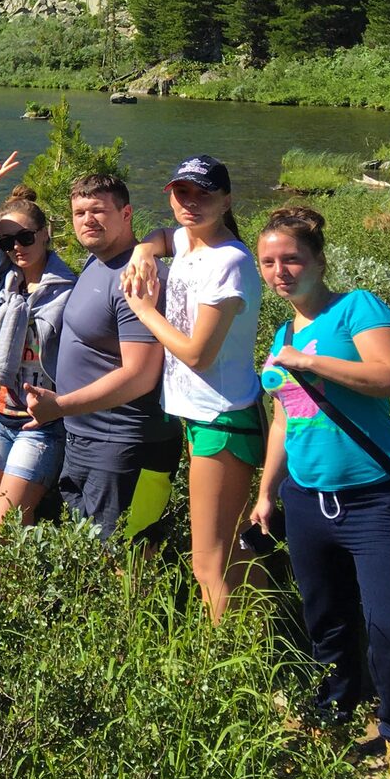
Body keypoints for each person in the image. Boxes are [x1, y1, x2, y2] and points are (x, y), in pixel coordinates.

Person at [250, 206, 390, 779]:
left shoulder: (357, 308)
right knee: (325, 621)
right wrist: (267, 490)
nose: (280, 270)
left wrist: (307, 360)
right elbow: (288, 419)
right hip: (309, 503)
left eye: (291, 259)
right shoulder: (282, 334)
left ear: (319, 261)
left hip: (380, 500)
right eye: (269, 262)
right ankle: (333, 715)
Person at [122, 155, 263, 621]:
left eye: (204, 194)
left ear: (227, 200)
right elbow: (164, 236)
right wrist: (144, 249)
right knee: (237, 542)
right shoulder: (189, 241)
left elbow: (199, 353)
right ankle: (260, 629)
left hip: (220, 419)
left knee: (208, 560)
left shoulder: (230, 262)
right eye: (183, 192)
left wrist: (145, 312)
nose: (191, 203)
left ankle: (224, 665)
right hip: (205, 415)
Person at [24, 174, 177, 547]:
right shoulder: (98, 262)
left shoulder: (137, 276)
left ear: (126, 214)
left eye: (98, 210)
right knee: (90, 556)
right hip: (86, 439)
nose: (88, 220)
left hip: (126, 444)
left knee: (123, 558)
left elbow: (140, 375)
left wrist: (59, 406)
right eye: (79, 212)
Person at [0, 154, 74, 536]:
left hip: (41, 423)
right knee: (13, 519)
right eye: (8, 241)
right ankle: (18, 593)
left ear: (46, 234)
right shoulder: (6, 276)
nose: (17, 248)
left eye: (26, 238)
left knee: (3, 524)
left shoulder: (69, 289)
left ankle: (3, 592)